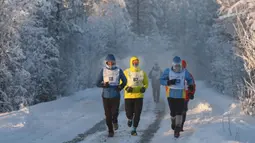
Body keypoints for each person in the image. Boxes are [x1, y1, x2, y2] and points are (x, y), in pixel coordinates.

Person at [160, 56, 194, 138]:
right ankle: (173, 122)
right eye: (176, 66)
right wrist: (168, 82)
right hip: (170, 94)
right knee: (173, 112)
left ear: (180, 65)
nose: (177, 68)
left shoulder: (184, 72)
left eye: (179, 66)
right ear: (173, 65)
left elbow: (190, 79)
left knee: (179, 112)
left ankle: (177, 129)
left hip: (181, 95)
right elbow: (161, 80)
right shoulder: (168, 71)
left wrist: (191, 86)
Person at [96, 54, 127, 137]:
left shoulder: (118, 70)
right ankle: (110, 131)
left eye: (112, 62)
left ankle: (115, 121)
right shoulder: (103, 71)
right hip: (105, 96)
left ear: (114, 62)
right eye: (108, 62)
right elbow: (97, 83)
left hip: (115, 96)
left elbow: (125, 81)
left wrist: (120, 87)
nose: (110, 64)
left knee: (114, 113)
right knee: (108, 115)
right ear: (106, 62)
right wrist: (103, 85)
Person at [123, 56, 149, 136]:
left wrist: (144, 88)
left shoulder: (142, 72)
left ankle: (134, 129)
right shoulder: (126, 72)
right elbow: (122, 82)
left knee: (137, 114)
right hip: (128, 96)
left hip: (139, 96)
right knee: (129, 113)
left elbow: (146, 83)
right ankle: (130, 119)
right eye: (134, 62)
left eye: (137, 62)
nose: (135, 63)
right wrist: (126, 88)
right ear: (131, 63)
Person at [181, 60, 196, 131]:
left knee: (183, 111)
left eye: (182, 67)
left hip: (186, 97)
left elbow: (193, 85)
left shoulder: (188, 75)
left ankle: (181, 126)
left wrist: (191, 93)